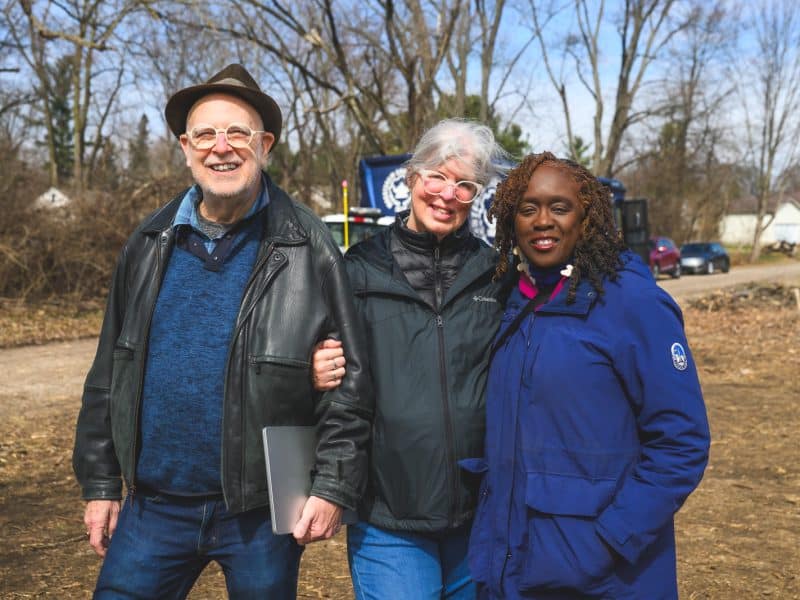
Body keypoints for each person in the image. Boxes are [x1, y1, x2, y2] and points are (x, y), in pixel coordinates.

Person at [72, 63, 373, 599]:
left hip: (259, 512)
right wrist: (100, 483)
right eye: (206, 134)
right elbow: (109, 371)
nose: (222, 147)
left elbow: (351, 382)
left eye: (238, 133)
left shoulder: (308, 245)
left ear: (266, 145)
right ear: (186, 148)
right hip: (153, 508)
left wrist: (331, 485)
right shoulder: (147, 242)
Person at [466, 152, 710, 599]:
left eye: (560, 207)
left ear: (588, 219)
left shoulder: (632, 303)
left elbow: (681, 442)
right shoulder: (511, 303)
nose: (543, 220)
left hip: (606, 576)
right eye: (527, 208)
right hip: (512, 568)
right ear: (509, 220)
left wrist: (609, 540)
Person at [312, 119, 512, 599]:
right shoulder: (357, 270)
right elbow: (315, 362)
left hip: (478, 513)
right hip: (390, 515)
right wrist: (310, 367)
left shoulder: (496, 273)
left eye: (465, 184)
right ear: (410, 178)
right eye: (437, 177)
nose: (448, 194)